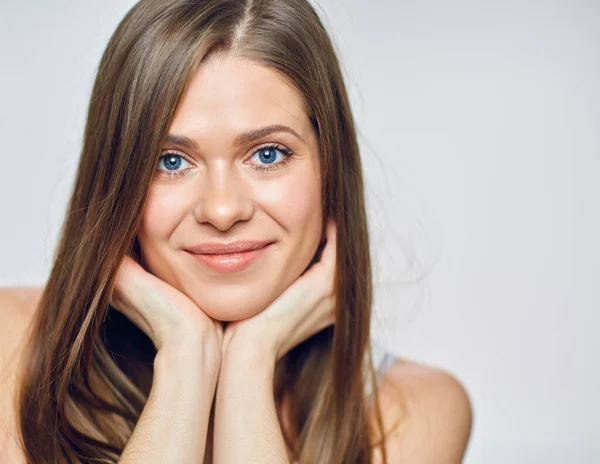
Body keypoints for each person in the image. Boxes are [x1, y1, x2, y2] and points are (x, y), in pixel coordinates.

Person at [0, 0, 473, 462]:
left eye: (268, 154)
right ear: (116, 181)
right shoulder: (11, 349)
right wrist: (186, 357)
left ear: (331, 169)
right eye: (171, 161)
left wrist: (249, 361)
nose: (222, 210)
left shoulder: (415, 413)